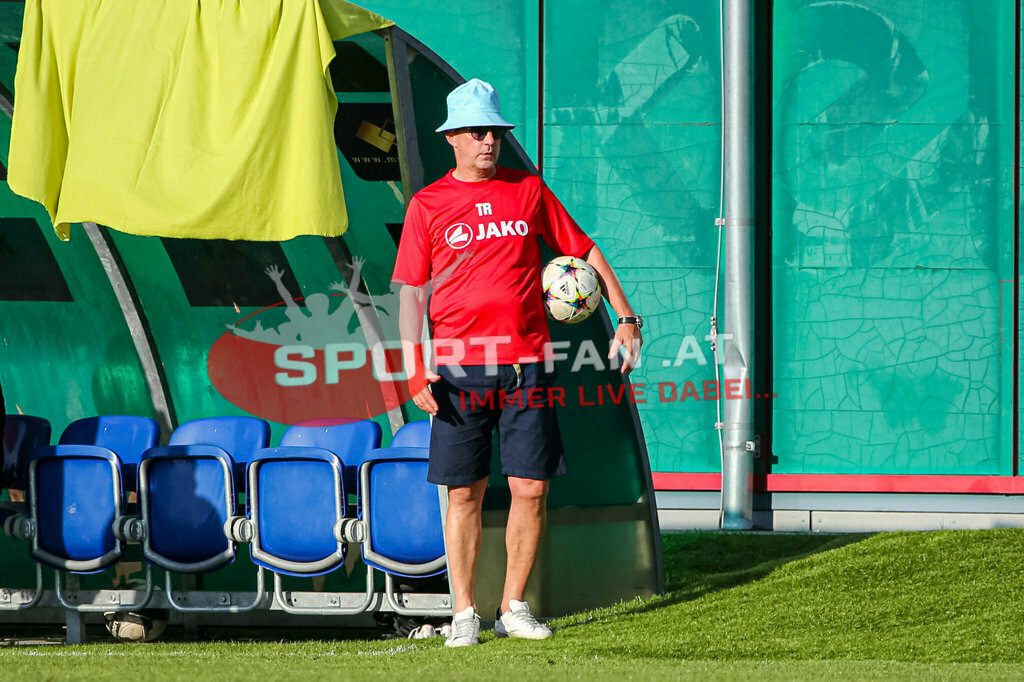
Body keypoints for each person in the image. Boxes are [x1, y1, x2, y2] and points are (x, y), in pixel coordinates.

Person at [392, 78, 643, 648]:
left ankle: (512, 606)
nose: (489, 140)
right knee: (464, 494)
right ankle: (463, 613)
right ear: (452, 137)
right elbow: (409, 290)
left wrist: (627, 316)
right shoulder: (427, 203)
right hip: (456, 368)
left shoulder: (528, 190)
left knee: (530, 489)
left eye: (496, 131)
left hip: (527, 362)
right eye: (477, 131)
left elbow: (582, 249)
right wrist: (413, 365)